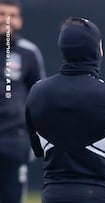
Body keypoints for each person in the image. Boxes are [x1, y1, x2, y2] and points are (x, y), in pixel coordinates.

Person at [25, 18, 105, 203]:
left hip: (54, 193)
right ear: (98, 49)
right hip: (100, 193)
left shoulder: (37, 92)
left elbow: (38, 149)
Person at [0, 0, 46, 202]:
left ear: (20, 21)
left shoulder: (28, 53)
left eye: (13, 15)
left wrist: (33, 139)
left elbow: (39, 98)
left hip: (14, 141)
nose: (7, 20)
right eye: (2, 14)